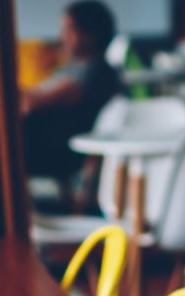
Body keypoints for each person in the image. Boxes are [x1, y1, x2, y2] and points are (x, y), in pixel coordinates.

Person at [22, 1, 122, 205]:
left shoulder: (96, 71)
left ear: (90, 33)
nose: (62, 36)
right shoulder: (70, 66)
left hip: (54, 150)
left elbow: (34, 102)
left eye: (69, 28)